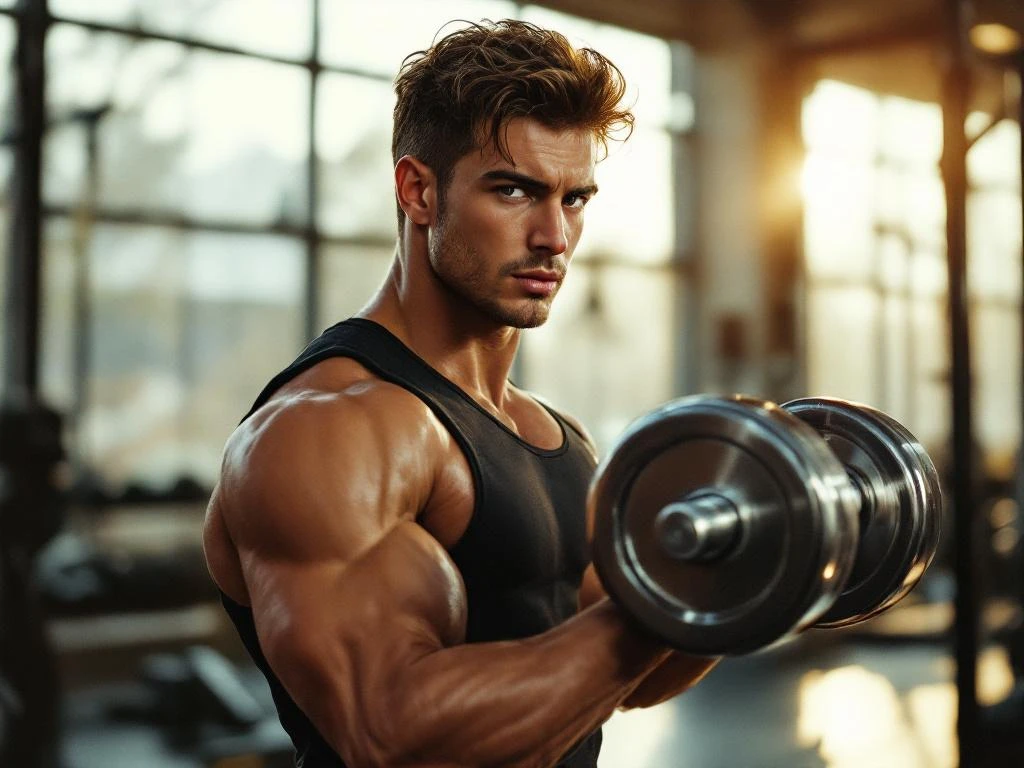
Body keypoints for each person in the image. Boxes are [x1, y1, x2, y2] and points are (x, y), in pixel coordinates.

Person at [203, 19, 719, 768]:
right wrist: (665, 601)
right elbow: (387, 730)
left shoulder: (559, 436)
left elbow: (618, 673)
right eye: (515, 191)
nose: (555, 236)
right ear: (418, 191)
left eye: (575, 200)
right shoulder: (329, 432)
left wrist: (752, 579)